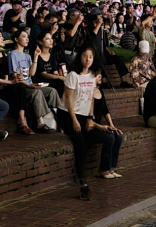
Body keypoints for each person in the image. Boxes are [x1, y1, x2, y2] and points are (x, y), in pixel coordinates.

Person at [58, 47, 112, 200]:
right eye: (85, 56)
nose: (87, 59)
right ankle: (82, 182)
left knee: (97, 136)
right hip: (68, 114)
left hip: (83, 114)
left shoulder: (93, 77)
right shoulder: (72, 75)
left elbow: (91, 99)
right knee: (79, 142)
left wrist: (90, 118)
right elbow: (68, 99)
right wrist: (74, 120)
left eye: (90, 57)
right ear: (79, 57)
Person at [90, 73, 125, 179]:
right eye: (97, 75)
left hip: (99, 126)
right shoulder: (86, 93)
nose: (100, 77)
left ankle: (111, 168)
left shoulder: (99, 92)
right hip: (90, 127)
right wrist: (101, 127)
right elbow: (86, 120)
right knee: (109, 138)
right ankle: (103, 169)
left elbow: (105, 110)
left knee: (118, 136)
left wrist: (112, 126)